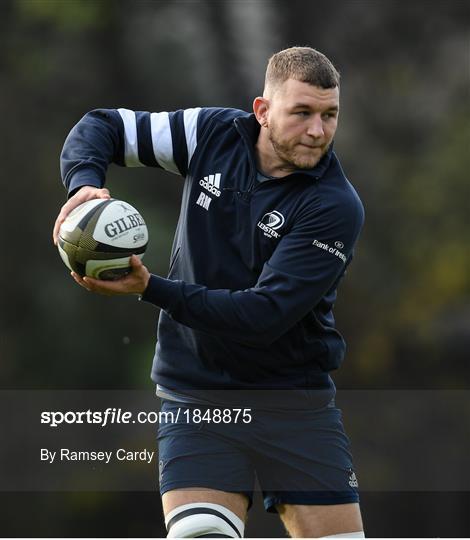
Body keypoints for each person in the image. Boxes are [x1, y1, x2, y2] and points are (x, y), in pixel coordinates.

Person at [53, 47, 365, 538]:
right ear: (262, 111)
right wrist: (84, 186)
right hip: (197, 396)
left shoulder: (334, 205)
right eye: (302, 112)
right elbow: (103, 126)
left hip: (293, 405)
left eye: (330, 115)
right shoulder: (213, 134)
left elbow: (263, 316)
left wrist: (150, 288)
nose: (317, 131)